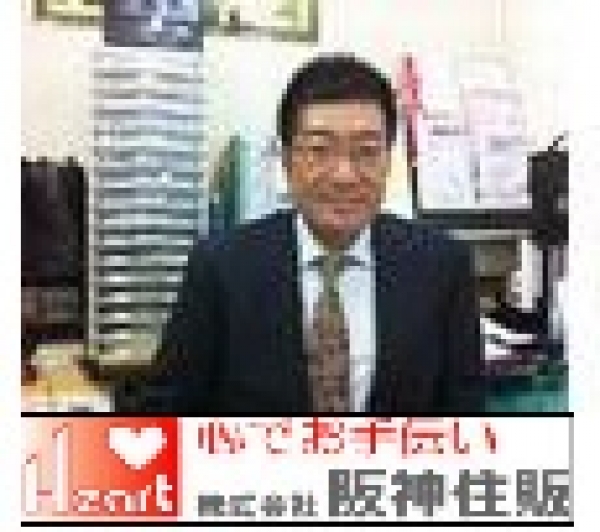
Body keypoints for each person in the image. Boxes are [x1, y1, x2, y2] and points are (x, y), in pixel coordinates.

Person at [118, 53, 483, 413]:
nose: (344, 175)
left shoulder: (443, 266)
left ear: (389, 160)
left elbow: (463, 413)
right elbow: (169, 413)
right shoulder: (220, 268)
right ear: (287, 160)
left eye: (367, 151)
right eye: (319, 150)